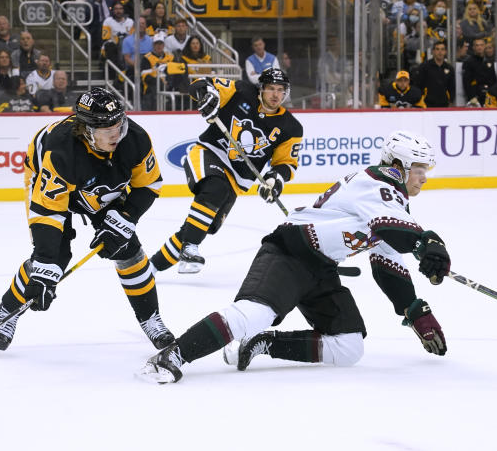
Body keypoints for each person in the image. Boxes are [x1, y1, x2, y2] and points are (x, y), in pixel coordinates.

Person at [137, 130, 450, 384]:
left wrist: (413, 310)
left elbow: (388, 264)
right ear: (399, 166)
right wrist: (426, 242)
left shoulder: (393, 202)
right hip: (288, 252)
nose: (423, 178)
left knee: (348, 346)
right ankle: (173, 355)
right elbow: (393, 229)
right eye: (419, 169)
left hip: (321, 267)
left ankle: (261, 344)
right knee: (252, 313)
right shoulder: (377, 183)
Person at [0, 88, 173, 353]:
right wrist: (44, 270)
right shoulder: (61, 150)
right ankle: (8, 309)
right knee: (54, 258)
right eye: (105, 128)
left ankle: (150, 318)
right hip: (51, 182)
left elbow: (148, 185)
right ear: (86, 130)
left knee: (127, 248)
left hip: (102, 187)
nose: (116, 133)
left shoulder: (135, 138)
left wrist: (125, 218)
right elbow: (48, 213)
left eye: (118, 123)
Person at [149, 68, 303, 275]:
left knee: (201, 225)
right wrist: (207, 98)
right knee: (215, 188)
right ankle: (189, 250)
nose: (276, 95)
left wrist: (275, 179)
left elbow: (285, 163)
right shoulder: (241, 91)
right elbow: (202, 84)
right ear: (260, 89)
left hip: (237, 179)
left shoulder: (291, 127)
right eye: (270, 89)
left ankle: (150, 268)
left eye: (280, 90)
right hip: (208, 153)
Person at [412, 41, 455, 107]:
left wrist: (451, 101)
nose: (440, 52)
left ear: (445, 52)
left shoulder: (449, 68)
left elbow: (452, 87)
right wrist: (419, 101)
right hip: (427, 104)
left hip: (444, 104)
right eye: (437, 49)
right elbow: (418, 85)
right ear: (433, 51)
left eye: (442, 49)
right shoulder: (424, 67)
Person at [462, 38, 496, 107]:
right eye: (477, 45)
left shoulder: (489, 62)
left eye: (481, 45)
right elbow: (467, 82)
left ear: (484, 46)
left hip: (488, 97)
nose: (479, 47)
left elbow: (493, 80)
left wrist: (493, 95)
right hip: (475, 97)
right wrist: (472, 97)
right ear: (473, 47)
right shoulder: (468, 62)